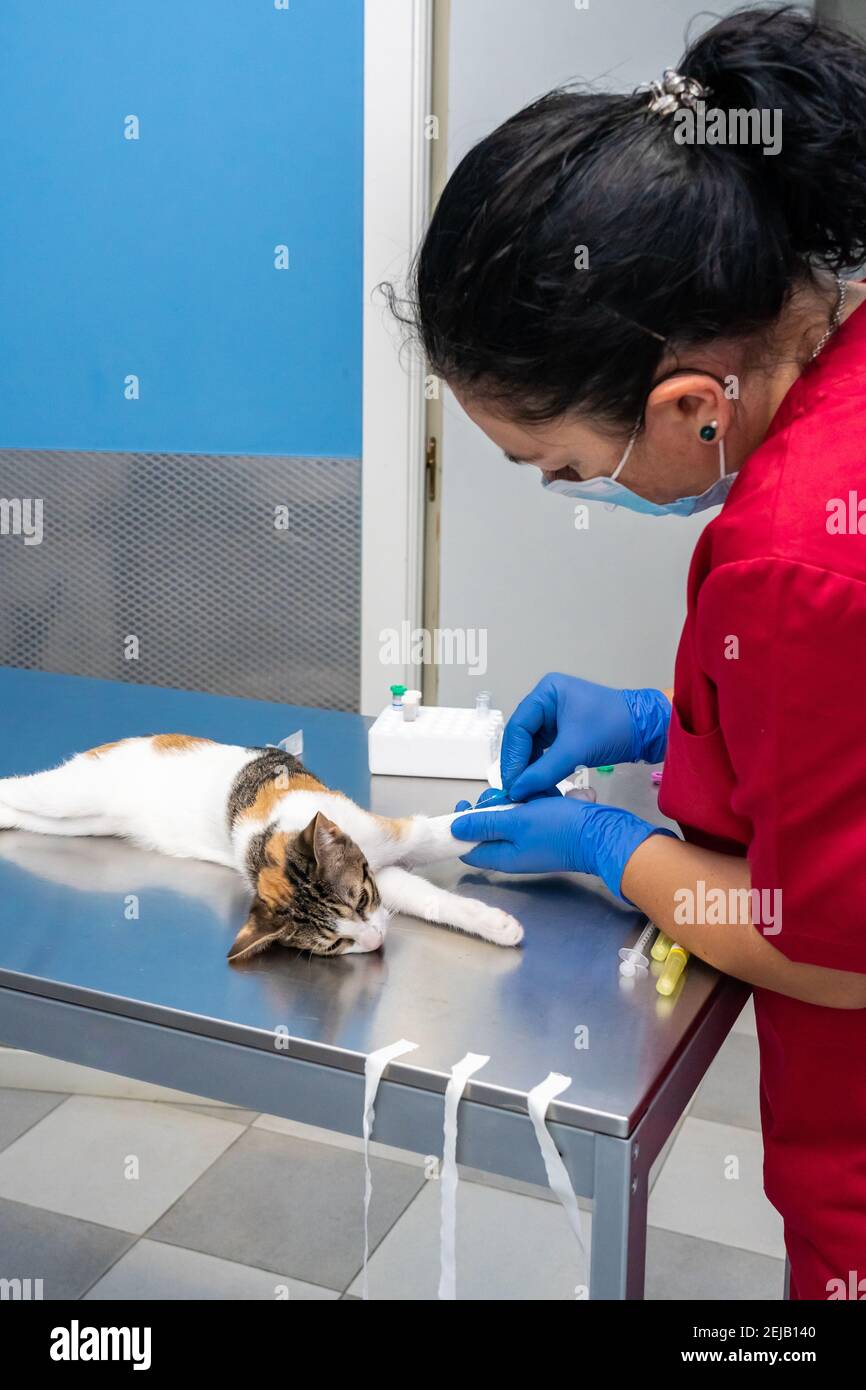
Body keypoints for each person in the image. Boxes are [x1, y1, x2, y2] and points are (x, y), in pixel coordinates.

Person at [390, 6, 866, 1299]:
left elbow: (825, 944)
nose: (566, 487)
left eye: (559, 467)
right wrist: (666, 723)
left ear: (688, 405)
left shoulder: (789, 550)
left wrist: (619, 852)